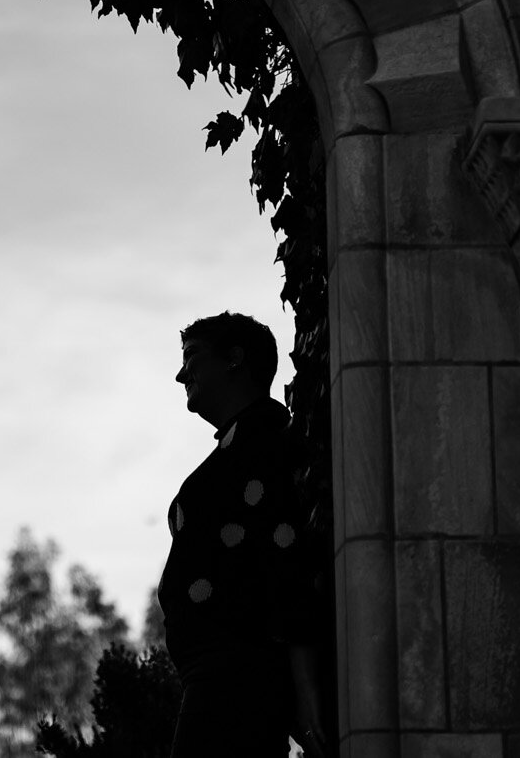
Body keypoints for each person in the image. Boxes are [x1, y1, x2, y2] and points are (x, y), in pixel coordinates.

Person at [158, 312, 327, 758]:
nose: (181, 374)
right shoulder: (245, 447)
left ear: (234, 360)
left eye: (192, 356)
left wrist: (307, 697)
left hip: (236, 679)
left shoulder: (266, 446)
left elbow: (287, 568)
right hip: (218, 680)